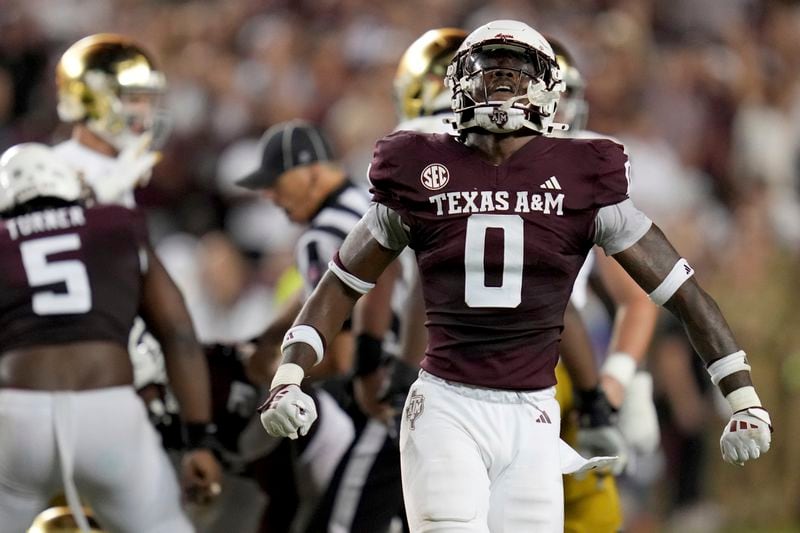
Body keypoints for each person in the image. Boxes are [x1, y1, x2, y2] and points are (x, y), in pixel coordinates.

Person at [259, 20, 773, 532]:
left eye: (517, 72)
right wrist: (289, 376)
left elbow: (681, 292)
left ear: (548, 89)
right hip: (447, 406)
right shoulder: (418, 166)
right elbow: (342, 282)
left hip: (534, 414)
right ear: (457, 85)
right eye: (488, 72)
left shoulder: (585, 175)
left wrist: (743, 398)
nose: (501, 82)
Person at [0, 143, 220, 532]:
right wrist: (199, 438)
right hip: (108, 411)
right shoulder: (116, 225)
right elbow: (179, 333)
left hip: (18, 417)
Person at [546, 36, 660, 533]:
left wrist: (613, 386)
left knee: (592, 516)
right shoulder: (454, 167)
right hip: (467, 368)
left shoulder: (583, 172)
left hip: (560, 370)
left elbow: (639, 297)